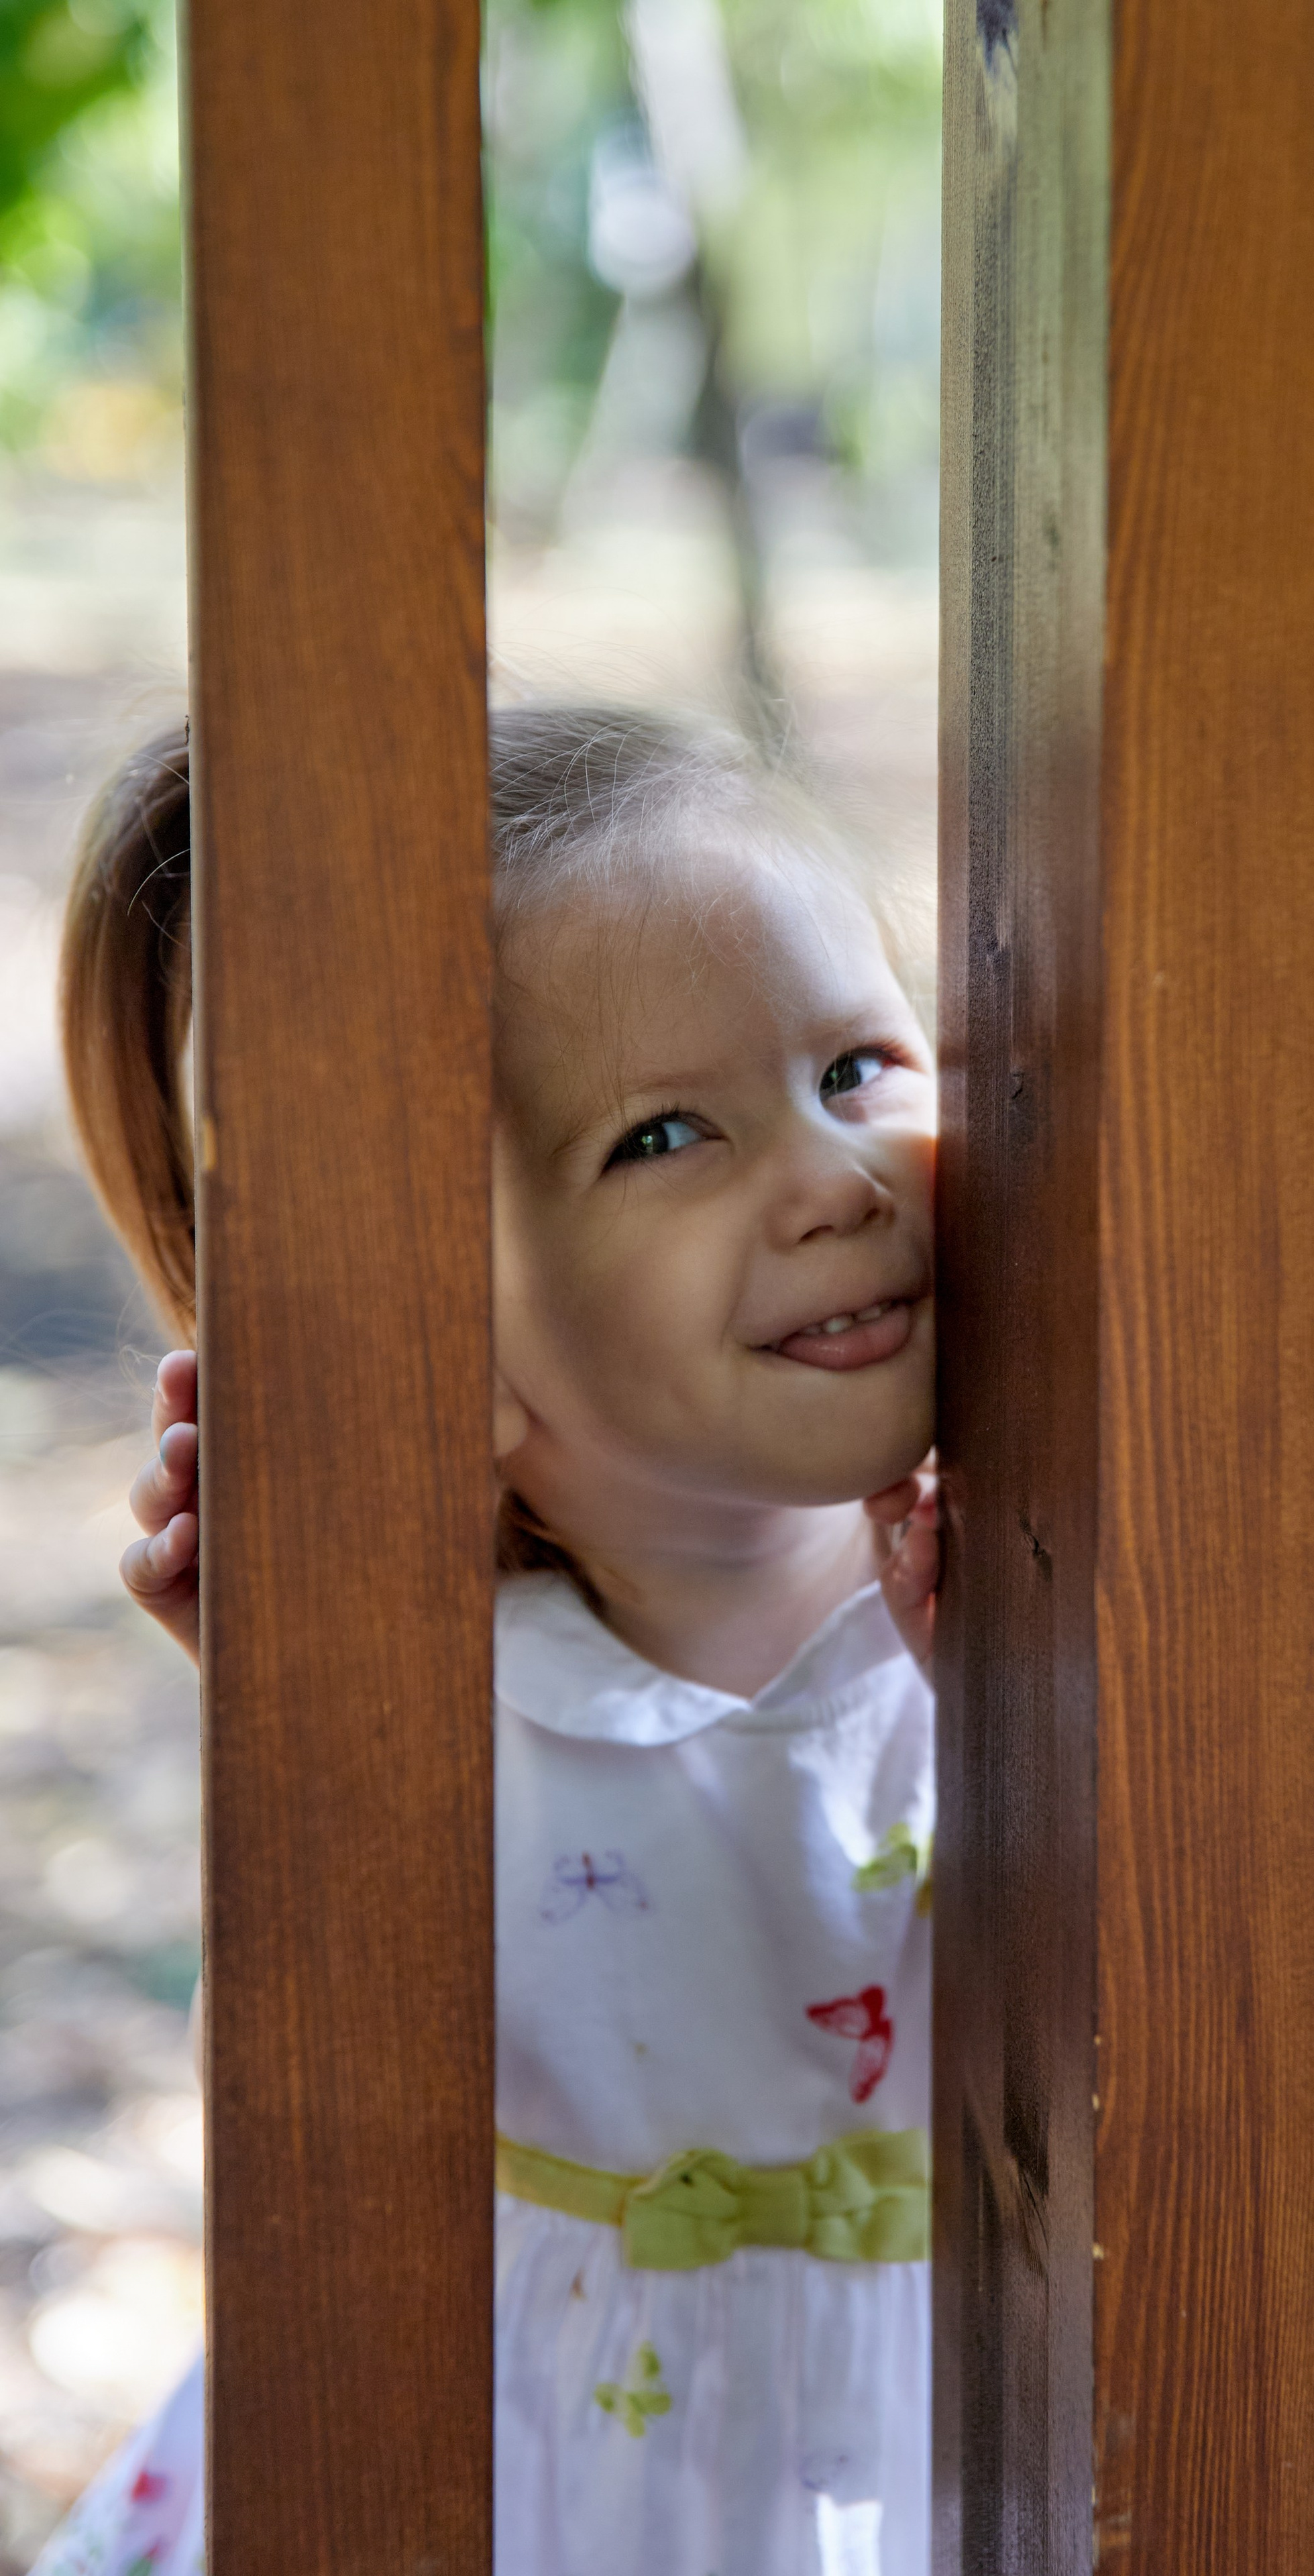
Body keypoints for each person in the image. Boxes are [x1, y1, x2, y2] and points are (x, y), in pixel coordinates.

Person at [33, 706, 940, 2576]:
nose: (833, 1175)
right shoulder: (470, 1699)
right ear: (444, 1340)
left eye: (858, 1065)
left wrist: (1006, 1708)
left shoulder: (1041, 1607)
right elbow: (309, 2136)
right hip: (537, 2474)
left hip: (921, 2443)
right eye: (666, 1134)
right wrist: (309, 1750)